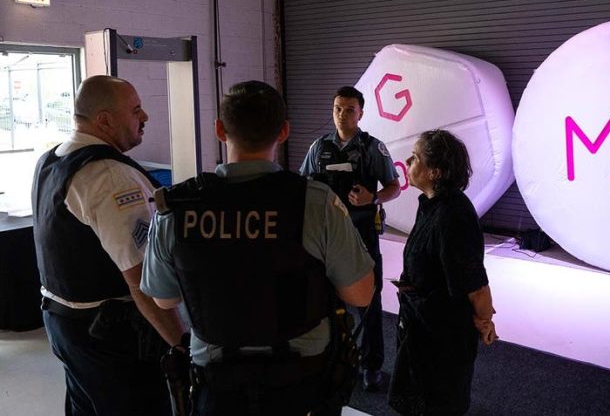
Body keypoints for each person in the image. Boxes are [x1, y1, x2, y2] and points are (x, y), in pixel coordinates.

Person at [141, 80, 375, 416]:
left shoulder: (177, 207)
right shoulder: (315, 202)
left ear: (219, 130)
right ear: (284, 132)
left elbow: (164, 299)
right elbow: (361, 294)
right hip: (301, 383)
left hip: (218, 384)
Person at [31, 75, 186, 416]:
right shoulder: (109, 177)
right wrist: (182, 346)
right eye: (135, 110)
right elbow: (142, 279)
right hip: (109, 337)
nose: (145, 117)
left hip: (63, 324)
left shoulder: (52, 159)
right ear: (104, 120)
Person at [388, 129, 498, 415]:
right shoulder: (431, 205)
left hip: (442, 338)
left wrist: (485, 321)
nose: (407, 162)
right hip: (422, 326)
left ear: (434, 172)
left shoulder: (453, 216)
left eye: (415, 158)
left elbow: (476, 286)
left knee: (438, 404)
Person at [299, 85, 401, 391]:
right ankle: (333, 359)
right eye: (337, 109)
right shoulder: (318, 147)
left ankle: (372, 365)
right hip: (324, 236)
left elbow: (394, 187)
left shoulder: (372, 148)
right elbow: (303, 183)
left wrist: (373, 198)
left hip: (361, 233)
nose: (342, 115)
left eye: (349, 110)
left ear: (361, 113)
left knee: (369, 301)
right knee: (324, 298)